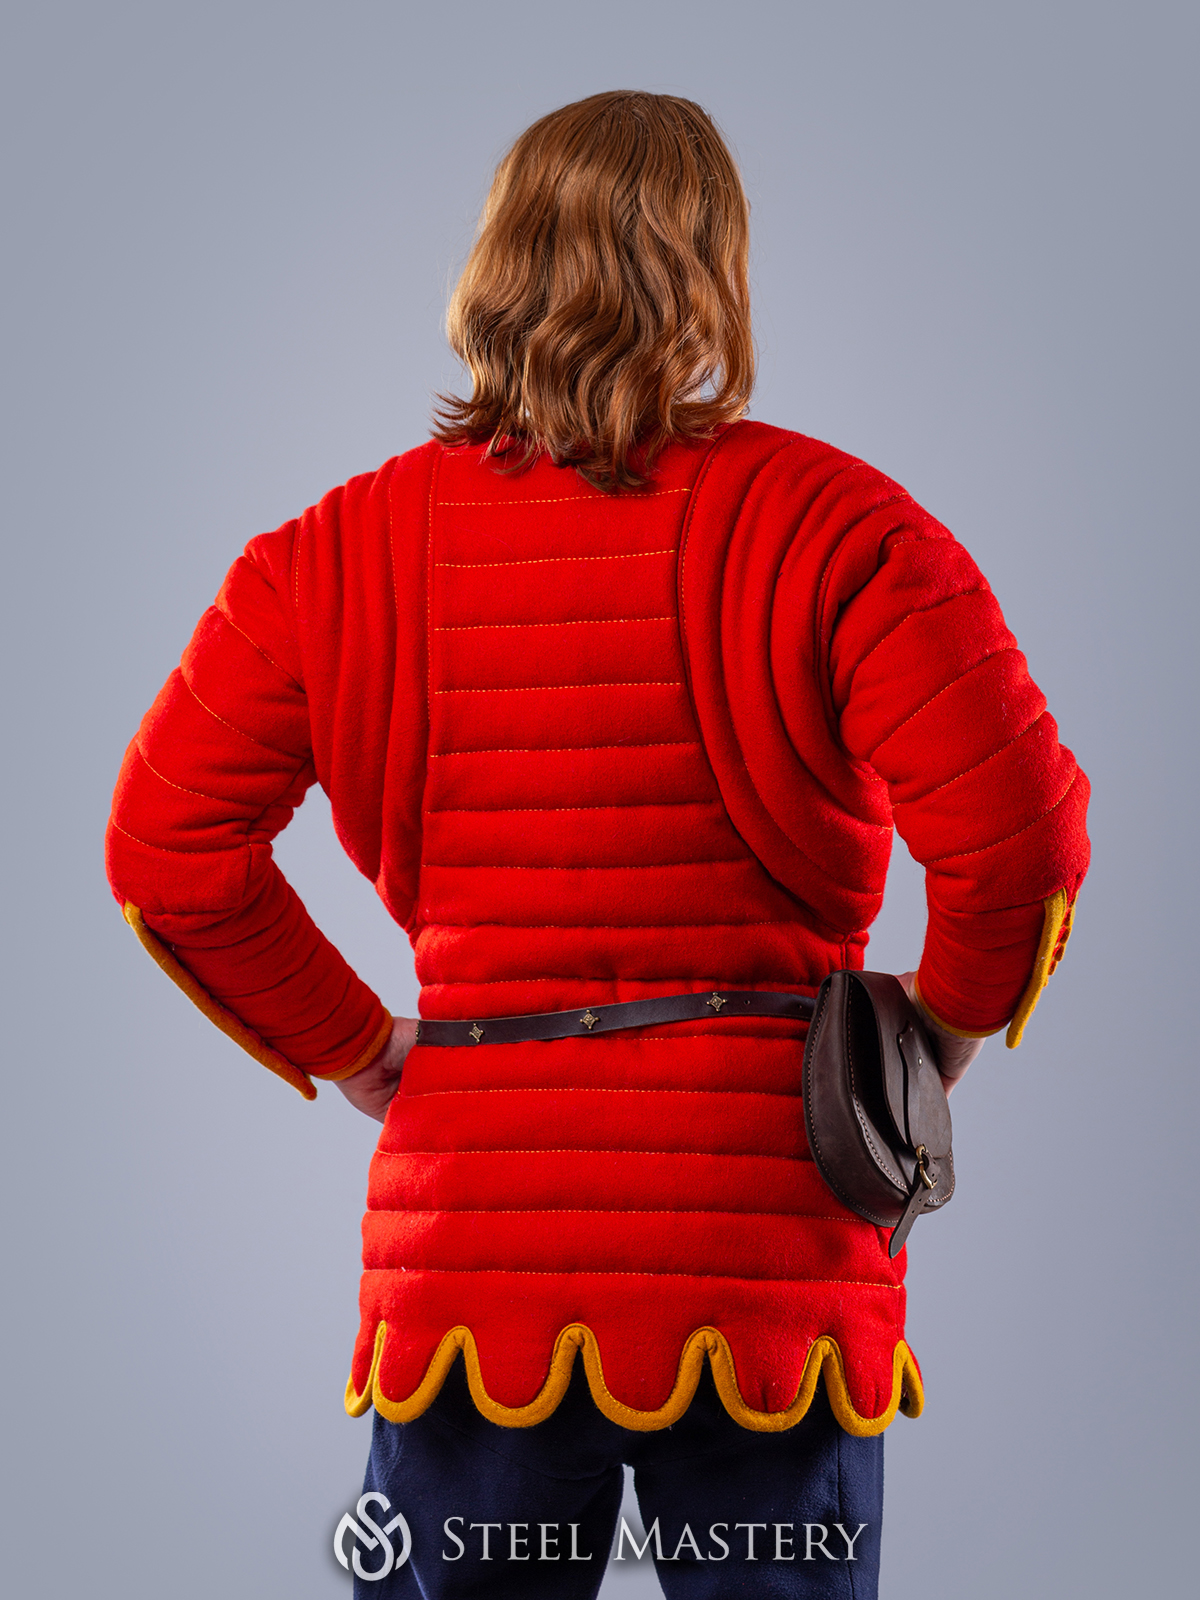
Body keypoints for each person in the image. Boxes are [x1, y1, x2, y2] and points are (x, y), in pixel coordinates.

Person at [106, 91, 1090, 1598]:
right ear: (713, 270)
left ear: (496, 263)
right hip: (764, 1245)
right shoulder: (841, 527)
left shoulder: (327, 558)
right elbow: (1019, 840)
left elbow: (165, 849)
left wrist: (363, 1050)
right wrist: (938, 1033)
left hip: (471, 1250)